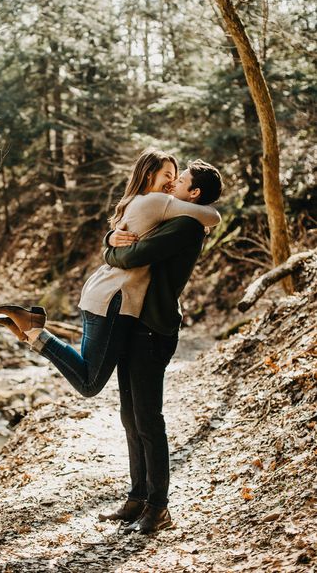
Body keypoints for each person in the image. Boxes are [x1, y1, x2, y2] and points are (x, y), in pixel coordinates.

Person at [0, 150, 221, 400]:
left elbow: (122, 244)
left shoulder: (132, 201)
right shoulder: (158, 202)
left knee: (87, 369)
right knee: (90, 383)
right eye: (168, 175)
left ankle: (31, 330)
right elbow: (213, 216)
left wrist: (108, 240)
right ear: (148, 175)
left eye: (177, 178)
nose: (172, 182)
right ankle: (33, 329)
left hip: (99, 292)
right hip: (116, 298)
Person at [98, 159, 223, 534]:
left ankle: (159, 506)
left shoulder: (186, 224)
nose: (174, 183)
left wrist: (110, 254)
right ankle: (137, 497)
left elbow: (135, 255)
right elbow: (127, 237)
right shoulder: (173, 214)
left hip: (154, 327)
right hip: (134, 322)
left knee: (148, 418)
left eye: (181, 179)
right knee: (129, 415)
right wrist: (110, 241)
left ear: (195, 192)